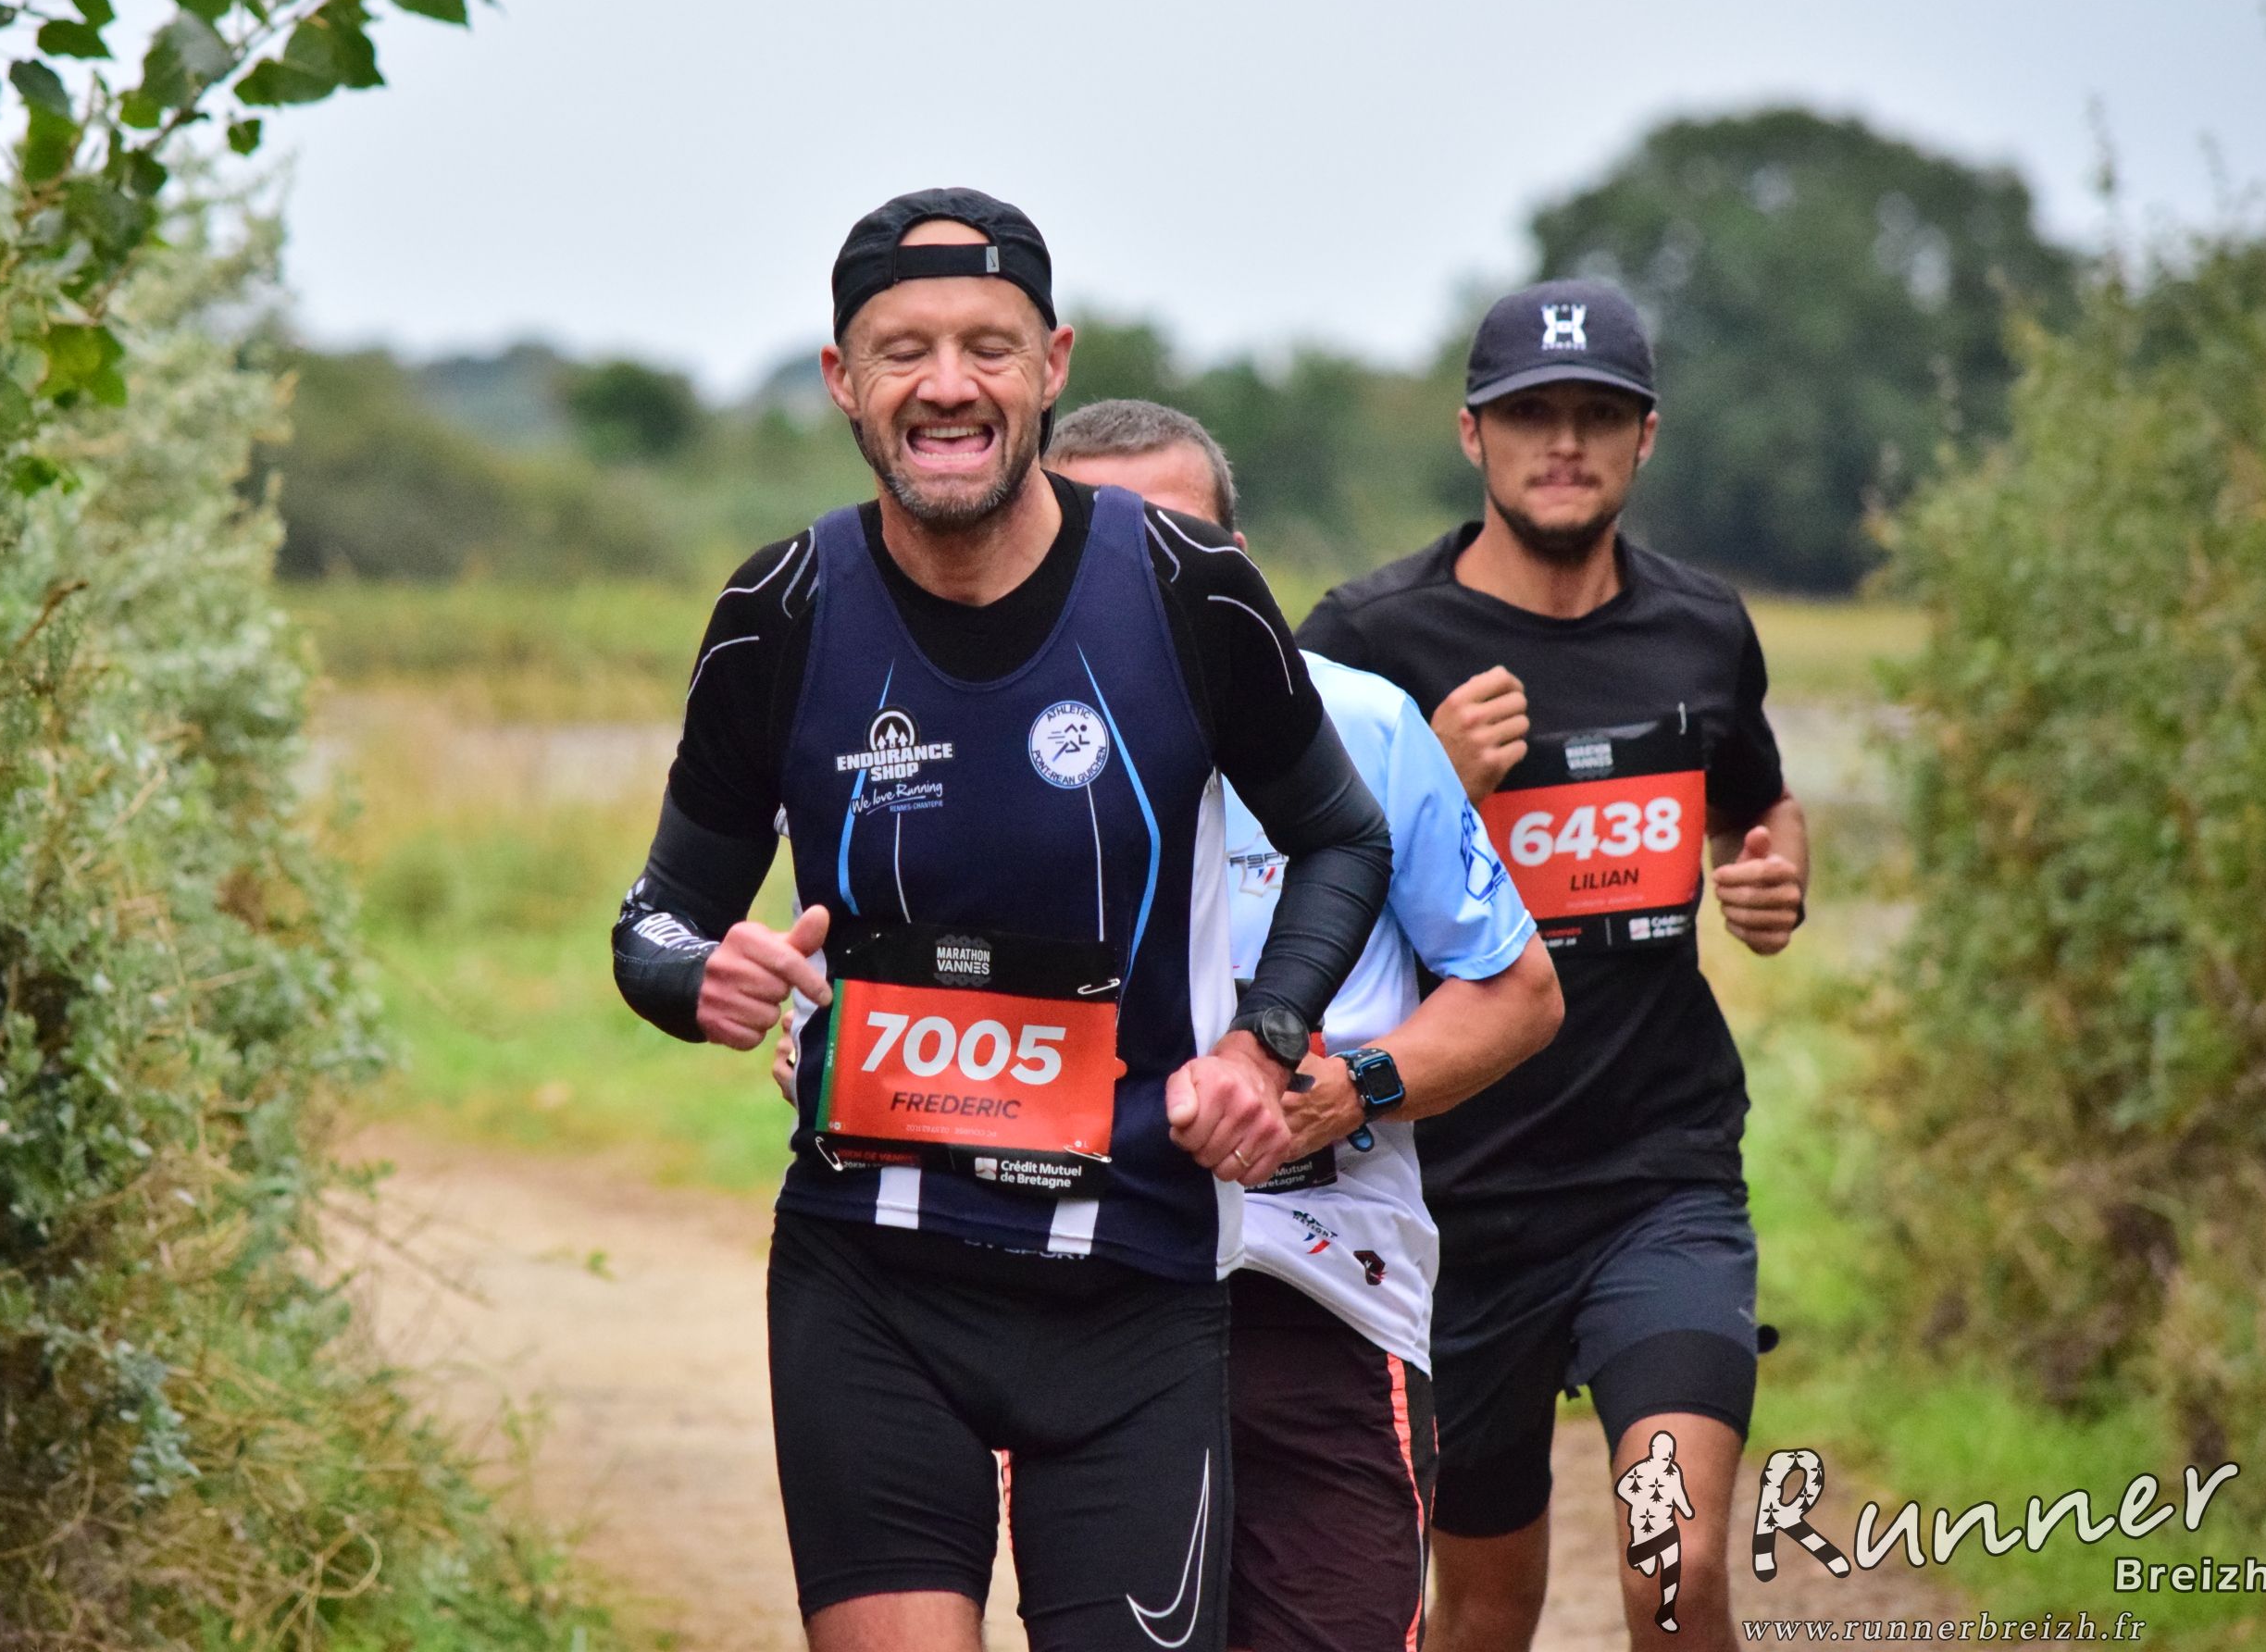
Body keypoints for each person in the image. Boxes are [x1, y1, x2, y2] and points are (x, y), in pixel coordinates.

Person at [611, 189, 1392, 1652]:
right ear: (843, 380)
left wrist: (1262, 1040)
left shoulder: (1187, 589)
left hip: (1136, 1285)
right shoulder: (782, 608)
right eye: (903, 350)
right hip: (871, 1282)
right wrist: (699, 975)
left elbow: (1343, 835)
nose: (948, 384)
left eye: (988, 344)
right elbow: (655, 919)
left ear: (1051, 365)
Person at [1297, 280, 1812, 1652]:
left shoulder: (1703, 626)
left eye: (1598, 415)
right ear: (1474, 435)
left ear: (1646, 437)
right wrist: (1427, 782)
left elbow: (1755, 802)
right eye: (1533, 415)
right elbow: (1274, 887)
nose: (1565, 443)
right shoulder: (1369, 641)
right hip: (1450, 1200)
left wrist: (1772, 873)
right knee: (1483, 1611)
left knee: (1671, 1561)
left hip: (1660, 1177)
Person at [1040, 400, 1563, 1652]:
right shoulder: (1003, 739)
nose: (1141, 586)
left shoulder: (1368, 725)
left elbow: (1518, 993)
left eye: (1177, 548)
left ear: (1238, 566)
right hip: (1087, 1285)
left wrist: (1356, 1088)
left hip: (1328, 1286)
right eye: (1098, 551)